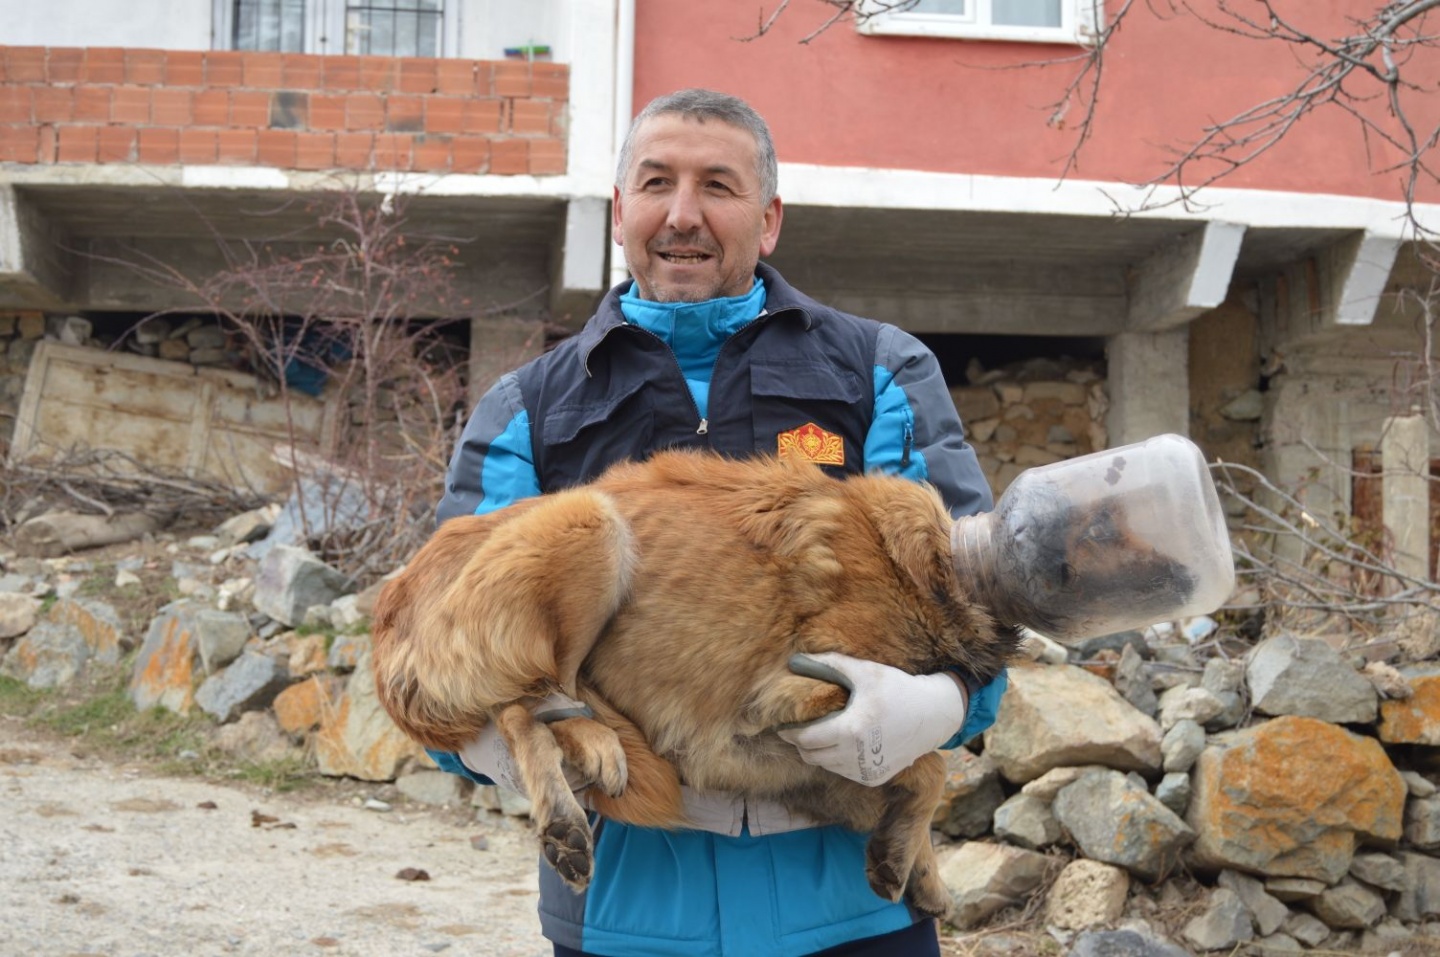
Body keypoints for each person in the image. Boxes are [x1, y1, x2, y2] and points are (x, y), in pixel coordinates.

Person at [428, 88, 1008, 957]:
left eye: (719, 187)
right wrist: (497, 743)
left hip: (856, 915)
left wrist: (942, 702)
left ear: (768, 219)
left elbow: (984, 592)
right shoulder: (530, 409)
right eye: (657, 183)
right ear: (621, 210)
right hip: (626, 920)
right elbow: (448, 643)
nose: (683, 215)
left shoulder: (877, 371)